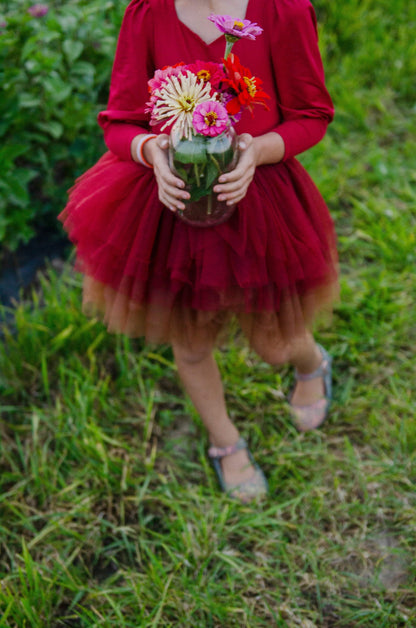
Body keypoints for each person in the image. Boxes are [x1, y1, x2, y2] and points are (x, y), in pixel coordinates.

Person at [59, 0, 338, 502]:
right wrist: (151, 151)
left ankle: (309, 362)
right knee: (189, 340)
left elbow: (313, 115)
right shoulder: (146, 14)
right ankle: (224, 442)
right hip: (170, 206)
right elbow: (119, 121)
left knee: (273, 340)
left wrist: (257, 149)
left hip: (258, 199)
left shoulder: (282, 11)